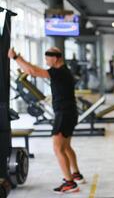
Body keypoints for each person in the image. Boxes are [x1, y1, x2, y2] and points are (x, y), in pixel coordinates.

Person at [8, 47, 85, 194]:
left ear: (55, 58)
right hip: (69, 112)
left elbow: (33, 72)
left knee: (58, 148)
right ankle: (76, 174)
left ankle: (70, 183)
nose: (46, 60)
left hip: (64, 113)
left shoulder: (59, 72)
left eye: (47, 58)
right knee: (66, 147)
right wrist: (22, 60)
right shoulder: (63, 71)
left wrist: (15, 58)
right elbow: (36, 69)